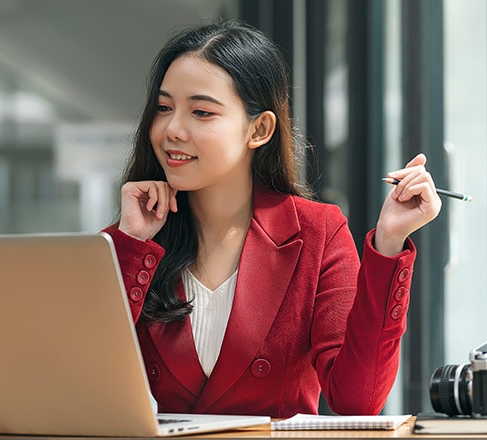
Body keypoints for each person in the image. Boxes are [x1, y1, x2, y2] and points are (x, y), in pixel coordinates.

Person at [102, 20, 441, 418]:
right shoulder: (128, 240)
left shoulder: (318, 233)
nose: (172, 129)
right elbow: (79, 385)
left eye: (200, 112)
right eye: (163, 108)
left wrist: (389, 243)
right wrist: (130, 246)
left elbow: (358, 400)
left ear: (258, 129)